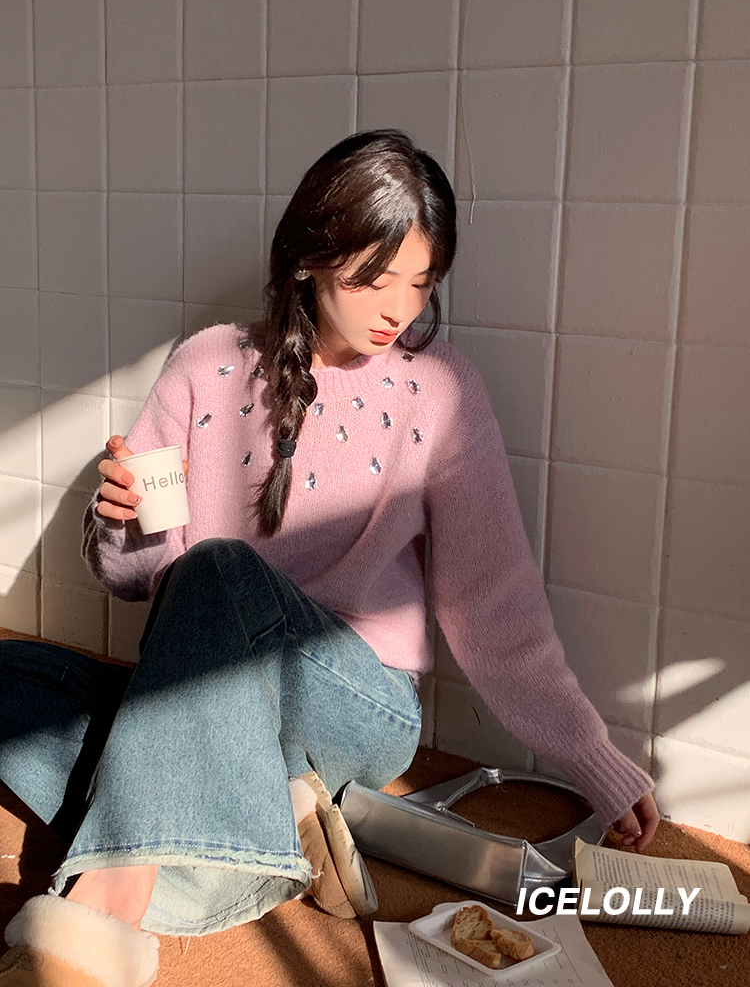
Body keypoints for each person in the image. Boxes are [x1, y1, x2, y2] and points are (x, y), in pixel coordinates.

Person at [0, 130, 658, 985]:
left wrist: (592, 756)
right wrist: (125, 523)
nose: (400, 309)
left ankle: (105, 909)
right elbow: (139, 583)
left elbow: (495, 604)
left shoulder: (441, 391)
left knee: (217, 574)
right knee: (18, 684)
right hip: (214, 694)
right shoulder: (207, 365)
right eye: (374, 279)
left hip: (358, 703)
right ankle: (274, 820)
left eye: (421, 282)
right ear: (311, 259)